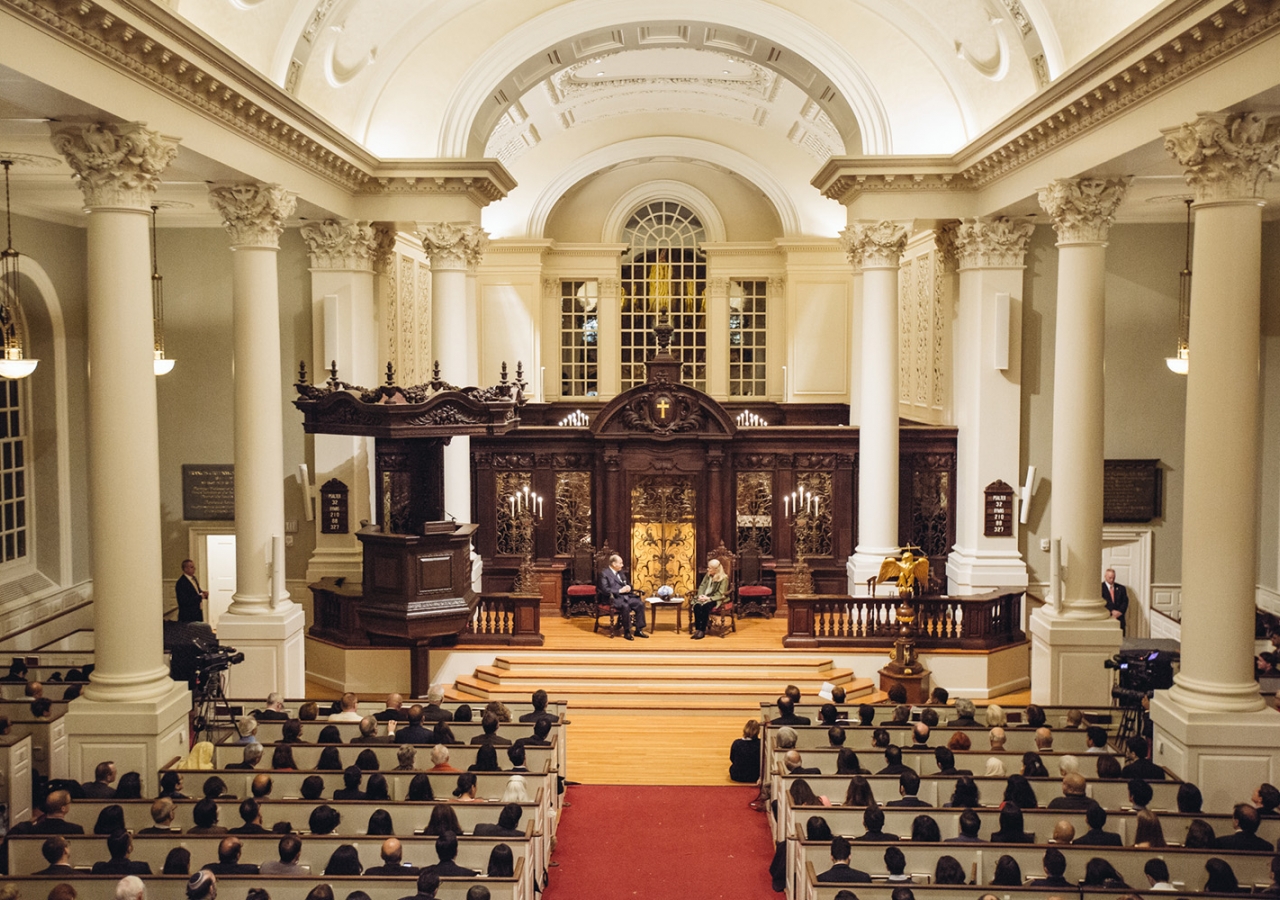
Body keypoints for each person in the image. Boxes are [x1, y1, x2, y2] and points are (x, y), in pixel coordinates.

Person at [597, 553, 647, 639]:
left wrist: (628, 587)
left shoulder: (620, 573)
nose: (622, 565)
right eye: (620, 563)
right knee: (625, 606)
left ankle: (639, 630)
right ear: (614, 564)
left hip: (625, 596)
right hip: (612, 598)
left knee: (639, 604)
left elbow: (628, 584)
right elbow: (605, 590)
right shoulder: (604, 574)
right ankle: (627, 631)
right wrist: (619, 591)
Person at [690, 556, 728, 639]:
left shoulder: (724, 578)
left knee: (705, 607)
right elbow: (702, 586)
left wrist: (708, 599)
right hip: (704, 596)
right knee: (697, 606)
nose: (708, 569)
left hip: (715, 598)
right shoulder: (708, 575)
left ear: (716, 569)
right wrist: (700, 595)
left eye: (710, 568)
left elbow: (721, 593)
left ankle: (702, 630)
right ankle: (698, 629)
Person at [729, 718, 761, 783]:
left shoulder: (736, 743)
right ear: (758, 731)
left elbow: (732, 758)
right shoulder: (760, 744)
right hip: (754, 776)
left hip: (737, 775)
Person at [176, 558, 208, 622]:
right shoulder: (181, 582)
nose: (194, 569)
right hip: (188, 614)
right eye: (191, 567)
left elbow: (196, 591)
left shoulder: (194, 578)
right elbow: (183, 600)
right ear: (185, 569)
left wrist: (203, 593)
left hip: (197, 611)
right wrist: (199, 597)